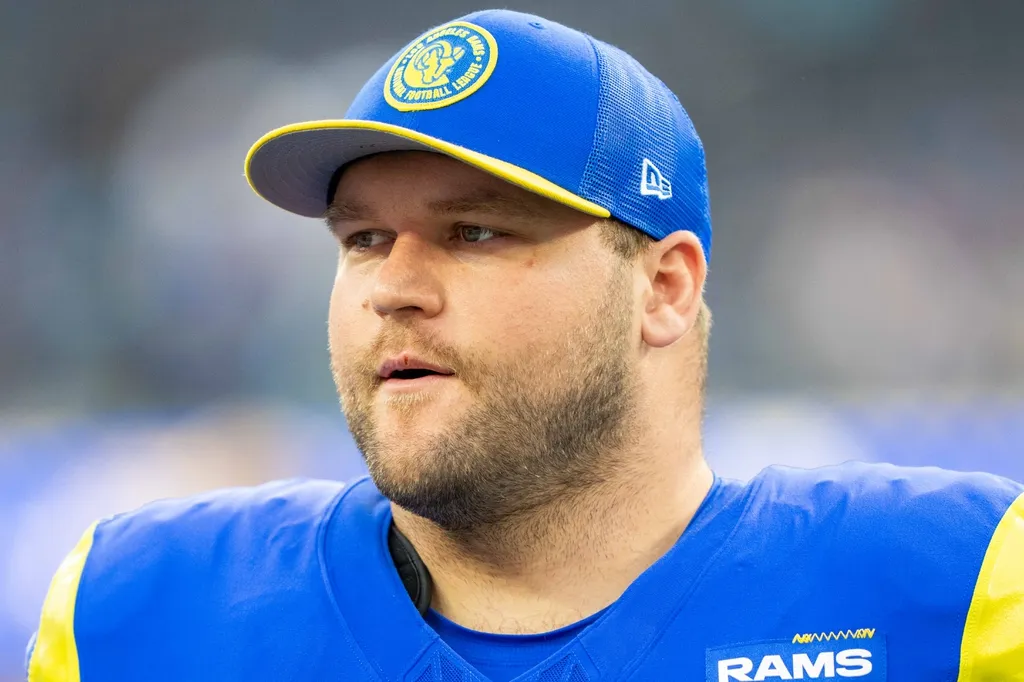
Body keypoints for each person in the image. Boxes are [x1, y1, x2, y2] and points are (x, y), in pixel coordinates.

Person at [27, 9, 1024, 682]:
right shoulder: (139, 614)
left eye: (475, 233)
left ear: (664, 288)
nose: (393, 289)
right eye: (364, 238)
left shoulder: (956, 587)